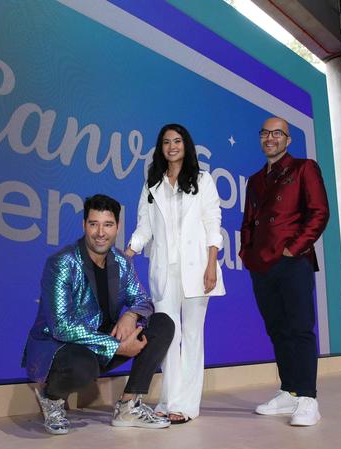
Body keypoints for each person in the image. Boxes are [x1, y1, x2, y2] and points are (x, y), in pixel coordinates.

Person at [22, 195, 175, 435]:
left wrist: (131, 315)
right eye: (94, 224)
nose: (100, 232)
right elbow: (61, 326)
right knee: (82, 366)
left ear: (117, 227)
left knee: (162, 324)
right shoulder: (62, 263)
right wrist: (115, 346)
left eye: (108, 224)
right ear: (84, 225)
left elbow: (142, 300)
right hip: (61, 348)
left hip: (101, 342)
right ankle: (51, 398)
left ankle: (128, 405)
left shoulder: (122, 263)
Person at [126, 123, 225, 424]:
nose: (172, 146)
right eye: (166, 142)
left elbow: (213, 222)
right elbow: (144, 225)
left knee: (193, 335)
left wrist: (211, 264)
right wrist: (133, 246)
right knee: (168, 334)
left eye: (177, 141)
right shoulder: (152, 184)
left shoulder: (203, 180)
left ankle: (186, 405)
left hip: (197, 268)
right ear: (161, 148)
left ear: (186, 145)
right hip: (164, 269)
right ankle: (169, 400)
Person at [239, 116, 329, 426]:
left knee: (300, 328)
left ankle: (308, 398)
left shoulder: (304, 168)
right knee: (277, 330)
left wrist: (294, 247)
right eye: (265, 133)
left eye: (278, 133)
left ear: (288, 140)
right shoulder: (255, 180)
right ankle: (289, 392)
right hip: (261, 265)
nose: (270, 138)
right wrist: (247, 253)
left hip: (293, 261)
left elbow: (319, 213)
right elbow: (249, 222)